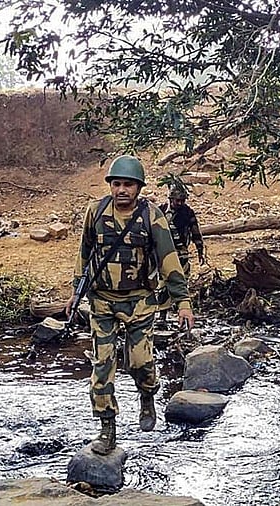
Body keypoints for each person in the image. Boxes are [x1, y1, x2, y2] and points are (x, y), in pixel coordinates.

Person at [65, 155, 195, 455]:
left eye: (128, 185)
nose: (121, 190)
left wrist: (182, 303)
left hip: (140, 302)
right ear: (110, 185)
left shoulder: (151, 215)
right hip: (102, 302)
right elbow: (84, 254)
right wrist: (76, 292)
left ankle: (147, 395)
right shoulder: (95, 212)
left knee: (139, 361)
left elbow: (169, 259)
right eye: (117, 184)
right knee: (102, 365)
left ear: (138, 187)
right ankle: (107, 427)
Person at [156, 185, 206, 327]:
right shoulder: (161, 211)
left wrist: (200, 249)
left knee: (182, 281)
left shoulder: (187, 212)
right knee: (164, 283)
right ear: (170, 199)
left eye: (182, 200)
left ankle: (183, 312)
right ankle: (162, 314)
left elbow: (195, 230)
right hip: (164, 253)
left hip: (181, 252)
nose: (179, 203)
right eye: (177, 200)